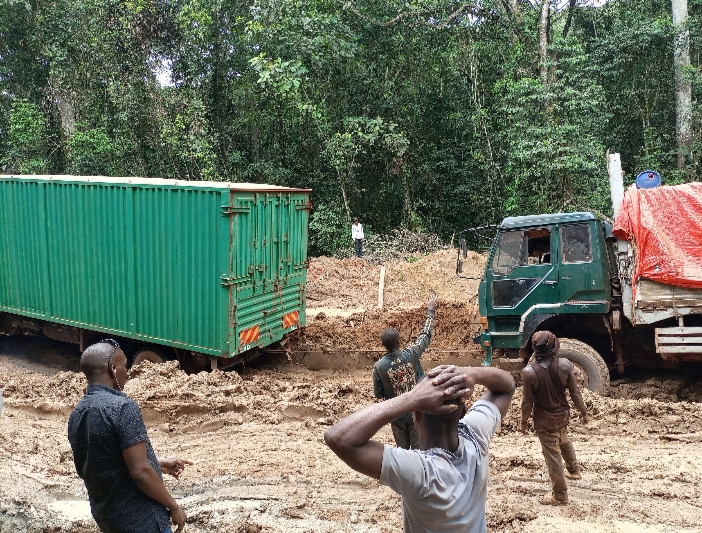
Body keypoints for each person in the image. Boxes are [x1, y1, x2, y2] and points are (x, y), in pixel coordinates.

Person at [325, 364, 515, 533]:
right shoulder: (476, 436)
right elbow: (507, 386)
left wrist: (410, 399)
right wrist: (469, 373)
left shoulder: (421, 473)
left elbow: (338, 437)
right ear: (463, 412)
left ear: (416, 415)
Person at [68, 340, 192, 533]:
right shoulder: (122, 408)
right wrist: (174, 507)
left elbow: (101, 464)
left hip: (108, 519)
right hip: (142, 520)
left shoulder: (78, 413)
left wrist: (156, 464)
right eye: (125, 366)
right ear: (113, 370)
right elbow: (141, 473)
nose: (129, 372)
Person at [520, 330, 589, 505]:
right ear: (554, 348)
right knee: (563, 439)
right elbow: (576, 394)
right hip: (563, 416)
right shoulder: (565, 365)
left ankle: (560, 495)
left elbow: (527, 403)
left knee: (552, 456)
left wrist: (523, 422)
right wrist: (583, 412)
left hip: (544, 421)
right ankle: (574, 470)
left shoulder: (528, 373)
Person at [373, 296, 436, 449]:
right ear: (399, 342)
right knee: (417, 451)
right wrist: (430, 311)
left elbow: (379, 394)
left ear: (383, 346)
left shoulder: (379, 367)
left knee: (401, 452)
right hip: (416, 412)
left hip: (396, 414)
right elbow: (426, 334)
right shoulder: (411, 354)